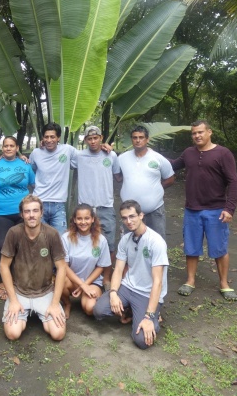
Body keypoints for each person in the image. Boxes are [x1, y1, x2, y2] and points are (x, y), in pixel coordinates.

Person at [170, 120, 237, 301]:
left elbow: (233, 182)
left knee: (219, 248)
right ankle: (190, 281)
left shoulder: (223, 153)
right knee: (191, 248)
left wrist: (229, 208)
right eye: (194, 133)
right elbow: (172, 165)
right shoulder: (188, 153)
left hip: (216, 210)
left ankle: (224, 283)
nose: (197, 136)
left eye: (200, 132)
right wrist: (149, 154)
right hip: (192, 209)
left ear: (210, 132)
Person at [93, 200, 168, 349]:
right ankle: (131, 311)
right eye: (125, 218)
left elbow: (158, 282)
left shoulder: (156, 242)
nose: (129, 221)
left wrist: (149, 316)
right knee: (98, 310)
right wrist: (113, 292)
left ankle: (153, 318)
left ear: (141, 215)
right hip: (127, 287)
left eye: (132, 216)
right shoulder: (125, 240)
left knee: (141, 341)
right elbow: (119, 269)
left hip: (147, 293)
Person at [0, 195, 67, 341]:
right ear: (22, 214)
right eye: (27, 211)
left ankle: (45, 311)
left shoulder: (52, 234)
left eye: (35, 211)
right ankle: (21, 313)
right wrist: (13, 300)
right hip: (19, 292)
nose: (31, 215)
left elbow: (61, 268)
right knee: (13, 334)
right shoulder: (14, 233)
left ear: (41, 213)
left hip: (45, 291)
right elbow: (4, 266)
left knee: (58, 334)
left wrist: (55, 303)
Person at [0, 136, 35, 300]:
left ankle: (23, 280)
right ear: (2, 148)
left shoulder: (25, 165)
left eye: (12, 145)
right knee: (3, 246)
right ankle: (1, 282)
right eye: (6, 146)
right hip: (1, 213)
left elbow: (34, 185)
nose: (8, 148)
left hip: (23, 214)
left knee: (25, 247)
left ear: (17, 147)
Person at [71, 125, 120, 287]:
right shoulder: (78, 156)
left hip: (105, 205)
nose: (93, 141)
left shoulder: (111, 155)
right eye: (89, 138)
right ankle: (86, 276)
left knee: (109, 244)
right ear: (85, 140)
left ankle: (106, 278)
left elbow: (118, 175)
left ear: (101, 137)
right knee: (85, 243)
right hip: (86, 208)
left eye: (96, 138)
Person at [116, 125, 175, 239]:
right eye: (135, 137)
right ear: (131, 139)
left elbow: (170, 178)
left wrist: (156, 188)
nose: (138, 140)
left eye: (141, 137)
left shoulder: (158, 158)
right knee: (130, 243)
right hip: (129, 212)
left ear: (147, 139)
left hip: (154, 211)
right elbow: (117, 175)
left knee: (157, 242)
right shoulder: (122, 158)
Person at [61, 204, 111, 318]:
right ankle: (67, 304)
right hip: (73, 281)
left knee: (89, 309)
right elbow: (64, 266)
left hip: (92, 282)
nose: (83, 222)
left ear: (93, 219)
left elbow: (100, 267)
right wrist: (82, 285)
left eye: (87, 218)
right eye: (79, 218)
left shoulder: (101, 240)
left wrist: (86, 285)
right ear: (74, 220)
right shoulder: (66, 238)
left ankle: (87, 299)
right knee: (61, 279)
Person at [29, 122, 77, 234]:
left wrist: (103, 146)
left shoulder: (67, 150)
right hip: (39, 202)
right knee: (40, 240)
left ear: (58, 138)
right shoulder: (36, 153)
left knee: (60, 241)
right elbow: (29, 169)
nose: (49, 140)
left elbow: (85, 157)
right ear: (42, 138)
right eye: (46, 137)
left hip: (59, 205)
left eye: (52, 137)